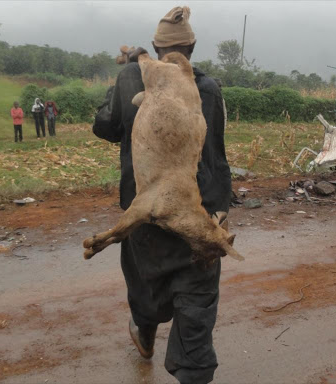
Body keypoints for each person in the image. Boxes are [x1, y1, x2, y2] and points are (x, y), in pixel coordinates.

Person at [92, 6, 231, 384]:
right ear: (193, 46)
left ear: (155, 46)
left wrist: (121, 83)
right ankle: (193, 371)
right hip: (197, 210)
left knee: (145, 284)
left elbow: (103, 127)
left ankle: (146, 332)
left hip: (145, 210)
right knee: (197, 301)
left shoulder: (129, 79)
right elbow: (215, 153)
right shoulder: (207, 87)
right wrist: (220, 207)